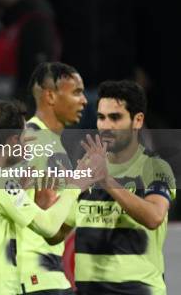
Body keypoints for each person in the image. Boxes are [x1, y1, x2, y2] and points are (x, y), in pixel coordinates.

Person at [0, 100, 105, 295]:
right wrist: (75, 187)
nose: (29, 141)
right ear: (13, 141)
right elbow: (49, 227)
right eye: (25, 134)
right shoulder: (0, 183)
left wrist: (23, 197)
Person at [48, 80, 176, 295]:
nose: (106, 126)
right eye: (101, 117)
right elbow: (57, 234)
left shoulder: (154, 167)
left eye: (115, 117)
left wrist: (107, 181)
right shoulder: (87, 167)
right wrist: (53, 200)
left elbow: (154, 217)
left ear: (137, 120)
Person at [16, 62, 87, 295]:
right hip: (37, 277)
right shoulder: (40, 144)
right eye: (76, 92)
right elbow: (52, 227)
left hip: (34, 274)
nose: (84, 100)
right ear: (50, 96)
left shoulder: (34, 138)